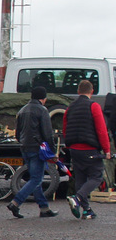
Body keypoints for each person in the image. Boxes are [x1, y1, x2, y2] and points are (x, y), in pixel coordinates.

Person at [61, 79, 111, 219]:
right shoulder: (93, 106)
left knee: (80, 179)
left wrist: (69, 145)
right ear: (92, 91)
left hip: (74, 149)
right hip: (89, 148)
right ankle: (77, 199)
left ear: (78, 91)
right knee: (96, 177)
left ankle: (87, 210)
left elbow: (65, 128)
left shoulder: (70, 108)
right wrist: (107, 150)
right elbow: (101, 130)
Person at [7, 86, 58, 218]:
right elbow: (48, 134)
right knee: (36, 179)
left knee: (35, 179)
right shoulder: (42, 110)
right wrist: (52, 151)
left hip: (24, 147)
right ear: (44, 98)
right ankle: (15, 202)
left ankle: (44, 208)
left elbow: (18, 133)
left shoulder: (22, 110)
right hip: (37, 148)